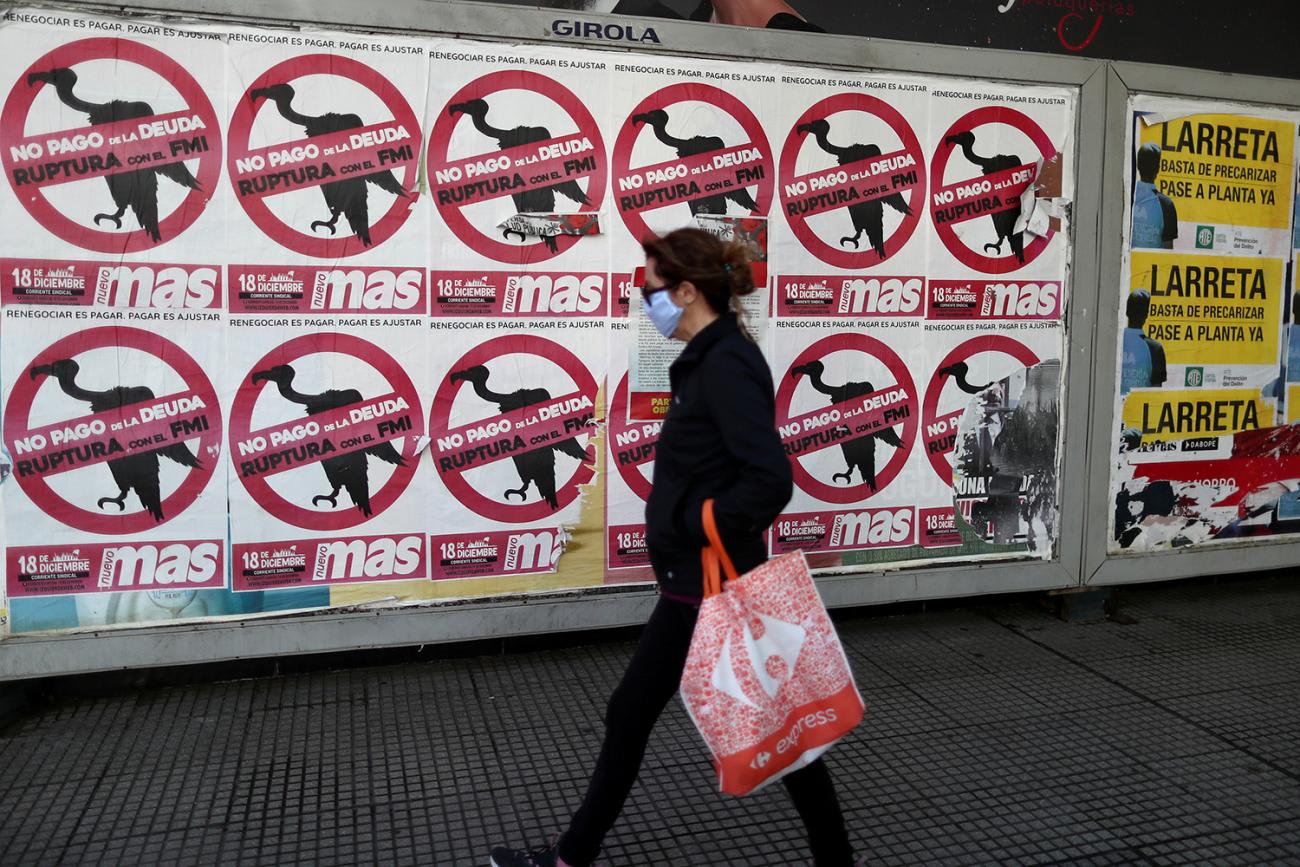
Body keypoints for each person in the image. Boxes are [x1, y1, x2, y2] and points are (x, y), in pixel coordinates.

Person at [489, 228, 859, 867]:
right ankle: (836, 858)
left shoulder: (725, 363)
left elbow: (769, 479)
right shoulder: (709, 358)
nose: (645, 300)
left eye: (652, 288)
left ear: (687, 291)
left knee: (633, 712)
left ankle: (570, 856)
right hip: (698, 577)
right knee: (764, 720)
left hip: (707, 579)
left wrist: (693, 521)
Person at [1130, 142, 1178, 249]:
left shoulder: (1127, 199)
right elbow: (1167, 252)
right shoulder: (1167, 205)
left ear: (1138, 166)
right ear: (1158, 168)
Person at [1119, 289, 1167, 394]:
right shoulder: (1155, 349)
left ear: (1127, 312)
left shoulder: (1116, 343)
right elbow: (1155, 394)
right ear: (1146, 315)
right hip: (1139, 404)